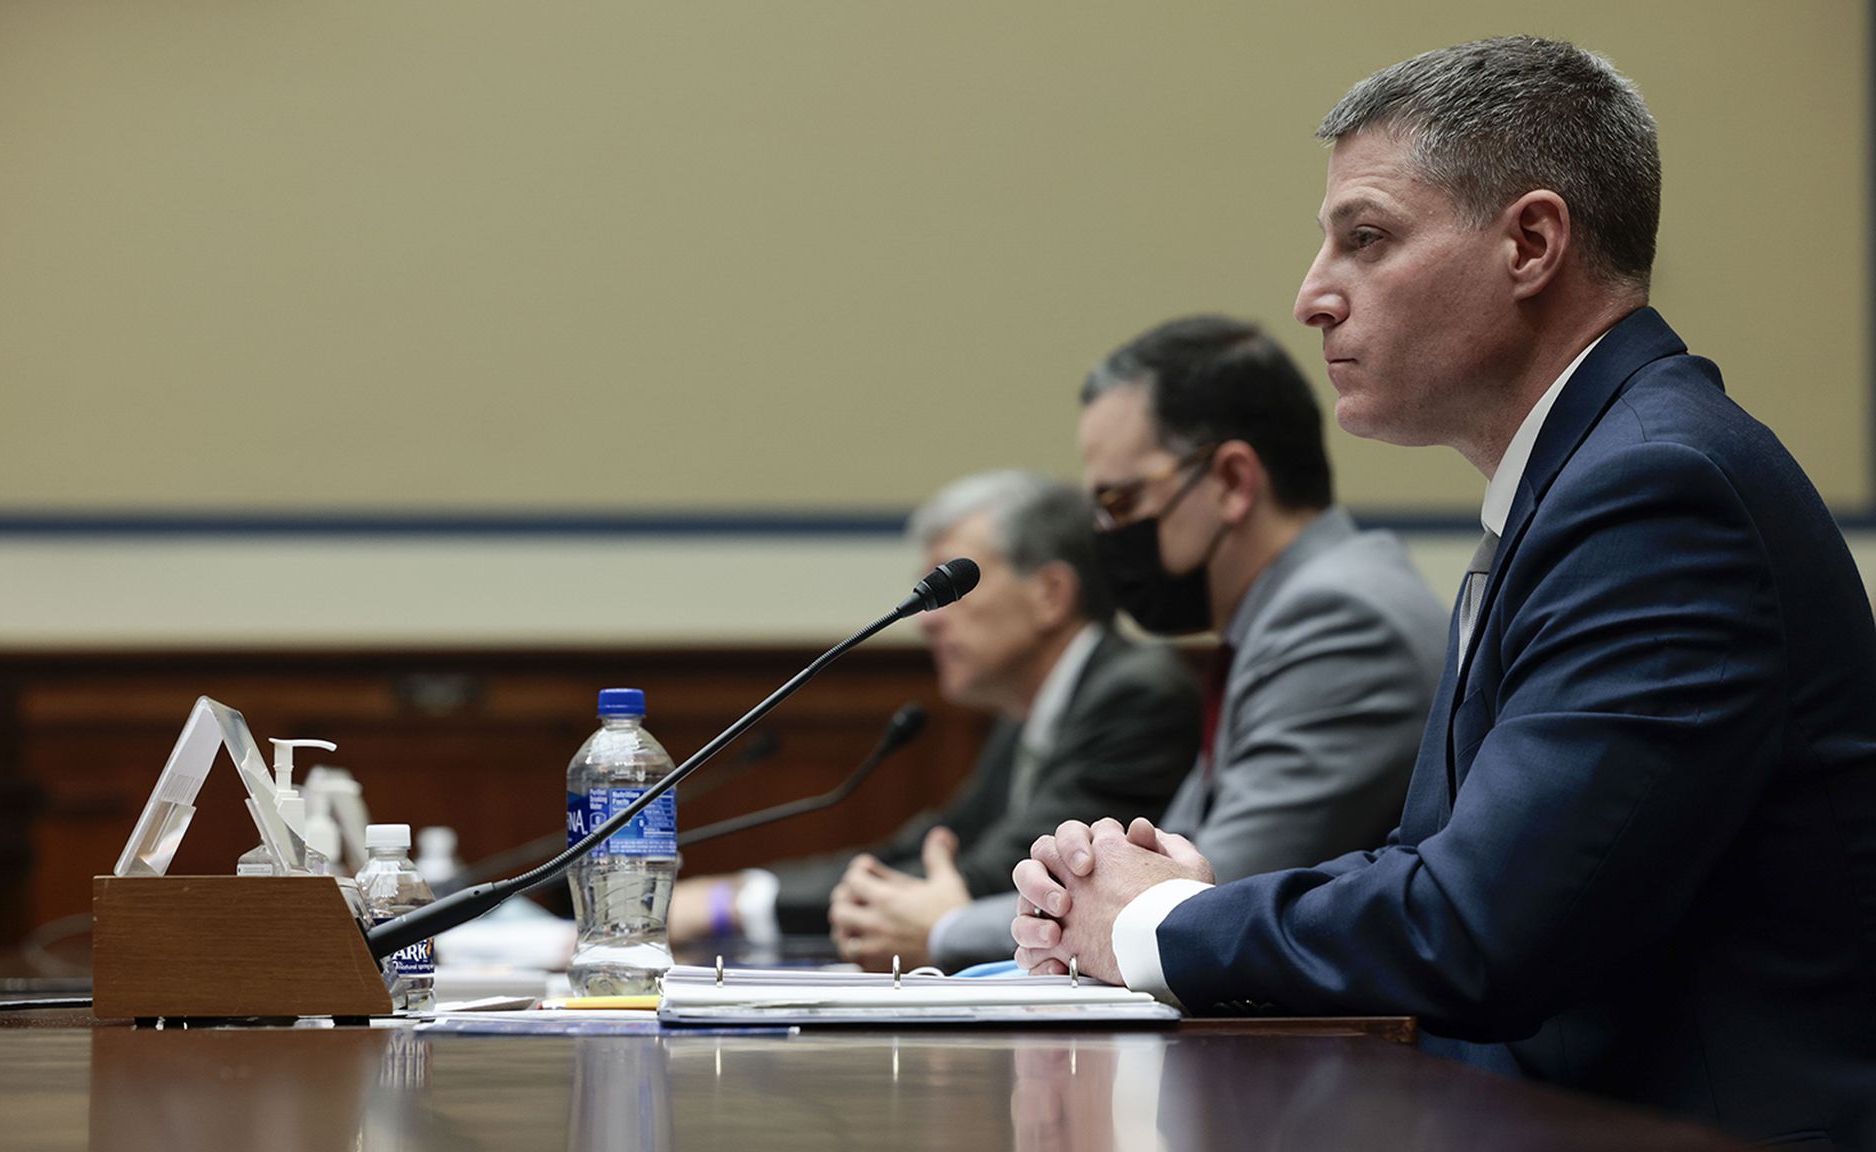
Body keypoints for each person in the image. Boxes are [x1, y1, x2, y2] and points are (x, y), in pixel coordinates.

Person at [1011, 36, 1876, 1148]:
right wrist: (1204, 901)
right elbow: (1447, 863)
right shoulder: (1596, 472)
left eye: (1365, 239)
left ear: (1532, 242)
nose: (1313, 295)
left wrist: (1157, 928)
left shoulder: (1658, 494)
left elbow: (1479, 928)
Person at [927, 316, 1448, 970]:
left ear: (1230, 482)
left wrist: (945, 928)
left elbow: (1198, 896)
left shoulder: (1339, 619)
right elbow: (1164, 861)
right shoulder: (1278, 618)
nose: (1106, 536)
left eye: (1120, 503)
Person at [668, 469, 1198, 967]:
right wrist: (738, 891)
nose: (930, 624)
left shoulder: (1138, 694)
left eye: (953, 591)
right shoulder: (1031, 709)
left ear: (1050, 594)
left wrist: (732, 905)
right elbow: (930, 847)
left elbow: (997, 876)